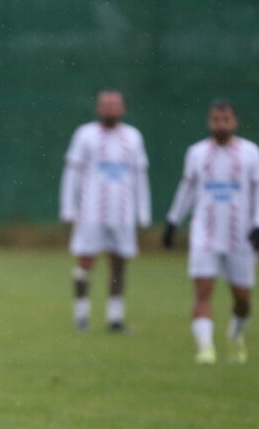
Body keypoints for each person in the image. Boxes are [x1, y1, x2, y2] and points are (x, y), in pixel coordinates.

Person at [163, 100, 259, 364]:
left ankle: (235, 334)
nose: (220, 124)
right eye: (215, 119)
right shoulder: (197, 153)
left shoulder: (251, 153)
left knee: (242, 297)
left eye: (226, 119)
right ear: (209, 122)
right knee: (203, 289)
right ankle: (206, 348)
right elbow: (187, 190)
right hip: (205, 233)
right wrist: (173, 221)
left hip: (240, 235)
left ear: (235, 122)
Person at [59, 90, 151, 332]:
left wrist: (143, 212)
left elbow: (140, 175)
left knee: (119, 263)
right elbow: (73, 173)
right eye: (105, 105)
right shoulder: (84, 135)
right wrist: (68, 207)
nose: (110, 109)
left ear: (124, 109)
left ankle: (115, 317)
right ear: (98, 108)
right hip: (91, 212)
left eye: (115, 105)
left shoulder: (133, 137)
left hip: (122, 212)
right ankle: (81, 316)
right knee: (85, 261)